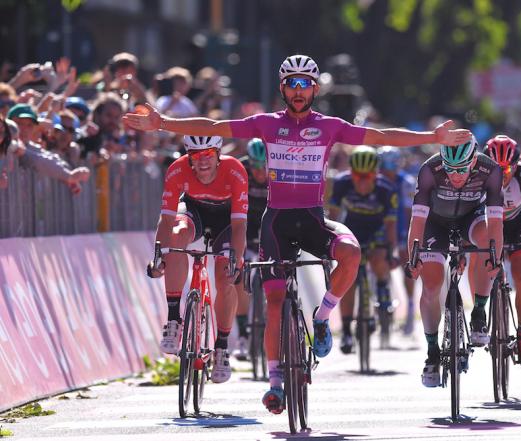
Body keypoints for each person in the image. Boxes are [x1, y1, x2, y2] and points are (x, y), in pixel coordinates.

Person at [123, 54, 471, 413]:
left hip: (314, 220)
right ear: (282, 88)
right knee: (274, 303)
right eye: (292, 83)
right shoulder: (267, 124)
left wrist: (432, 136)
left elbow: (381, 136)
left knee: (351, 254)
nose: (299, 90)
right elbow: (215, 125)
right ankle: (275, 384)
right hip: (277, 224)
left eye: (305, 83)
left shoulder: (330, 126)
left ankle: (322, 318)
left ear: (316, 88)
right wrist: (163, 123)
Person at [146, 135, 248, 383]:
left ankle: (222, 347)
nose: (202, 162)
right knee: (177, 235)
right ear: (188, 157)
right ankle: (173, 319)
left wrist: (238, 260)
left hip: (227, 221)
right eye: (196, 156)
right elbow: (167, 219)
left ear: (218, 154)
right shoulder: (177, 169)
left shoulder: (235, 170)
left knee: (225, 279)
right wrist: (159, 256)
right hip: (194, 212)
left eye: (208, 155)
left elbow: (239, 225)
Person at [405, 134, 503, 387]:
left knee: (486, 245)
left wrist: (495, 256)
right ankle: (432, 351)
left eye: (461, 169)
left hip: (471, 219)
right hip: (434, 224)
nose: (455, 175)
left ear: (474, 160)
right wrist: (412, 258)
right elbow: (417, 222)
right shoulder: (430, 170)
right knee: (431, 286)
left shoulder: (490, 170)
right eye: (450, 169)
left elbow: (496, 223)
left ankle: (480, 310)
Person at [329, 145, 398, 353]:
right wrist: (330, 245)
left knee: (378, 257)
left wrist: (391, 252)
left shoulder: (386, 189)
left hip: (376, 229)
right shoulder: (342, 183)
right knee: (348, 283)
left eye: (366, 176)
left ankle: (383, 285)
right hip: (351, 229)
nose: (361, 181)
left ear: (375, 174)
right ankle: (347, 331)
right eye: (357, 176)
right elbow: (332, 217)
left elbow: (391, 226)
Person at [484, 135, 521, 367]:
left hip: (518, 225)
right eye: (496, 169)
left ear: (516, 165)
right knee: (484, 264)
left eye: (507, 168)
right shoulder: (479, 176)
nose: (503, 174)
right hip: (490, 224)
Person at [233, 138, 268, 361]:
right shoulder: (240, 170)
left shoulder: (278, 168)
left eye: (263, 166)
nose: (259, 172)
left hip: (269, 221)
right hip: (244, 221)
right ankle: (244, 336)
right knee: (240, 276)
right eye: (255, 166)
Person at [378, 146, 418, 335]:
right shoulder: (376, 181)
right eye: (384, 170)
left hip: (401, 225)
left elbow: (409, 212)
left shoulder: (407, 182)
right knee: (378, 261)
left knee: (406, 264)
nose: (387, 174)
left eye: (390, 170)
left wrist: (407, 236)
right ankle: (381, 295)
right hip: (381, 225)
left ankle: (410, 307)